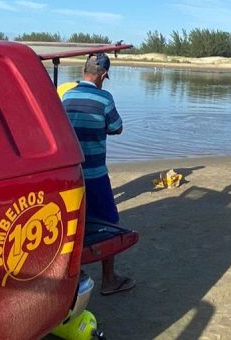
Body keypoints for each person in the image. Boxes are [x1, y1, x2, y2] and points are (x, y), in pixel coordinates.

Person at [62, 52, 135, 295]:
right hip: (95, 173)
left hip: (71, 175)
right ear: (103, 74)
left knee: (76, 225)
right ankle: (109, 279)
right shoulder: (104, 98)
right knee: (109, 224)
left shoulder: (67, 95)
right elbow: (117, 127)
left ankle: (73, 277)